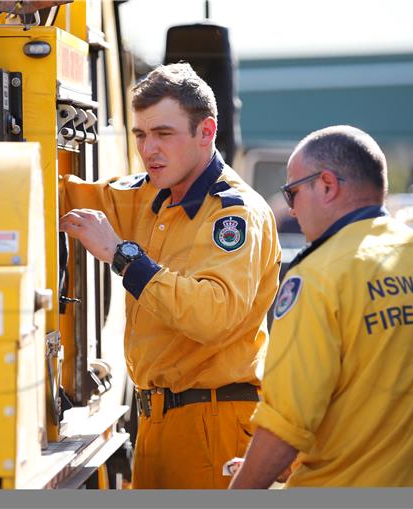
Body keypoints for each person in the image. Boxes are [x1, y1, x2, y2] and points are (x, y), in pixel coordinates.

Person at [59, 63, 281, 489]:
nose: (149, 149)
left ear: (207, 131)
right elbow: (59, 191)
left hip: (211, 425)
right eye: (141, 135)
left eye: (164, 134)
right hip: (158, 421)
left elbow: (211, 315)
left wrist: (123, 257)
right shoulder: (149, 195)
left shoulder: (233, 214)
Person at [229, 125, 413, 488]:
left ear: (328, 185)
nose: (291, 209)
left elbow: (284, 426)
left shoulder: (317, 276)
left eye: (292, 193)